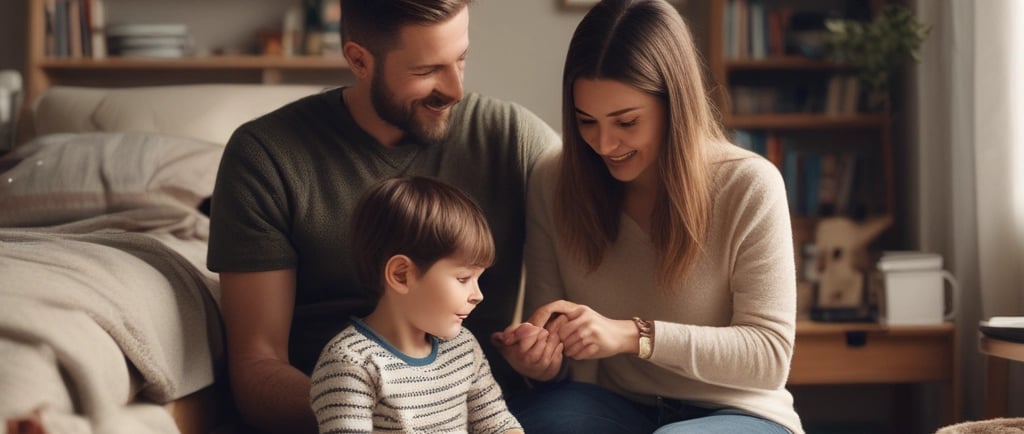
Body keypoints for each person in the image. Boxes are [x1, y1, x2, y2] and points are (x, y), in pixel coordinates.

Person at [206, 1, 560, 432]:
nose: (455, 90)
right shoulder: (266, 157)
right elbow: (257, 367)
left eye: (461, 60)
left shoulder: (512, 138)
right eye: (426, 70)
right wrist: (378, 410)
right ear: (358, 59)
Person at [492, 0, 804, 433]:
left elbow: (768, 357)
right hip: (611, 403)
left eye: (626, 122)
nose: (603, 144)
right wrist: (540, 358)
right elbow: (556, 348)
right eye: (586, 121)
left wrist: (634, 336)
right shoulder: (554, 179)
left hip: (737, 411)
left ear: (674, 105)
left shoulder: (750, 185)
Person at [309, 176, 523, 434]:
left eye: (478, 279)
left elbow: (499, 424)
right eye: (464, 278)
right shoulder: (351, 362)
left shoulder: (463, 347)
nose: (478, 295)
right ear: (401, 275)